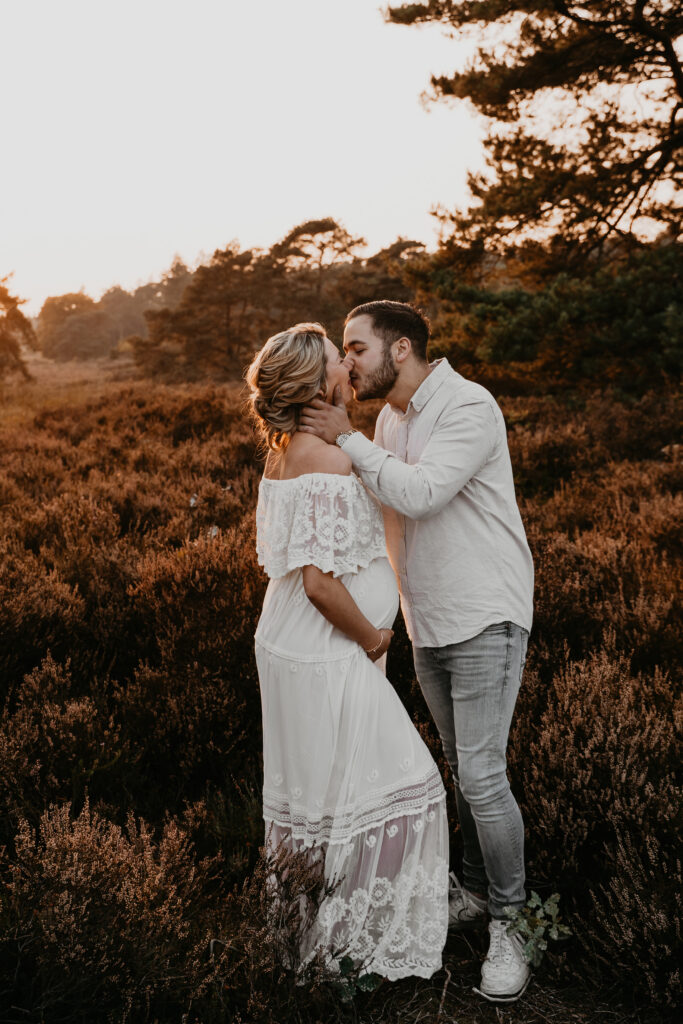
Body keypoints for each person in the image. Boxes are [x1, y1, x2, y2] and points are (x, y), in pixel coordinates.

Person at [299, 300, 535, 1003]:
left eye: (355, 348)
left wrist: (348, 440)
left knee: (484, 775)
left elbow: (425, 494)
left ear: (400, 349)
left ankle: (510, 922)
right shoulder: (390, 421)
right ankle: (470, 889)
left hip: (483, 613)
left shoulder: (468, 404)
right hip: (426, 619)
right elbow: (382, 507)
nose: (347, 362)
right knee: (460, 770)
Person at [245, 322, 449, 981]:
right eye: (338, 357)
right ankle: (356, 945)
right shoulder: (326, 461)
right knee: (406, 786)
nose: (346, 362)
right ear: (317, 380)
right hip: (325, 648)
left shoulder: (287, 449)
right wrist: (372, 636)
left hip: (292, 644)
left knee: (320, 789)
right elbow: (318, 582)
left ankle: (317, 937)